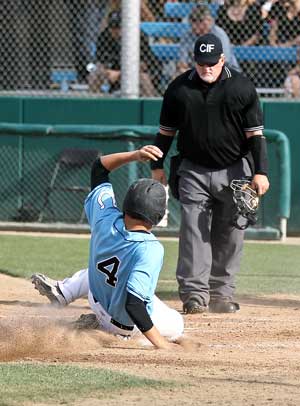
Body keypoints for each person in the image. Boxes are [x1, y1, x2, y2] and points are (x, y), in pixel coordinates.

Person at [151, 33, 269, 314]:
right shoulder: (179, 89)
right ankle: (194, 295)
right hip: (194, 169)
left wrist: (261, 171)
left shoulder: (240, 87)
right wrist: (157, 165)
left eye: (212, 63)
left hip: (235, 170)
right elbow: (165, 133)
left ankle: (221, 294)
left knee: (231, 232)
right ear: (194, 61)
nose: (207, 68)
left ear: (222, 59)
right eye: (202, 63)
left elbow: (256, 136)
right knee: (193, 228)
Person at [31, 145, 184, 349]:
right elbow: (134, 305)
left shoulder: (105, 217)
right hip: (123, 324)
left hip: (97, 299)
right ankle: (112, 332)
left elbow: (99, 169)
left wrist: (135, 155)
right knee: (176, 324)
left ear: (126, 204)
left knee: (98, 270)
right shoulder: (151, 248)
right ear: (158, 216)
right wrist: (162, 345)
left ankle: (65, 291)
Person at [88, 10, 161, 96]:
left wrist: (120, 73)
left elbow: (144, 65)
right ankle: (96, 104)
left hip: (136, 73)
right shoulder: (104, 36)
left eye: (119, 27)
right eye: (113, 28)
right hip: (114, 72)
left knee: (143, 78)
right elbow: (101, 61)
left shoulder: (138, 35)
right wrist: (108, 71)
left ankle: (149, 106)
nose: (116, 31)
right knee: (95, 75)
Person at [177, 4, 240, 75]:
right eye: (194, 20)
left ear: (210, 21)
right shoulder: (187, 36)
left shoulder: (219, 34)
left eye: (201, 20)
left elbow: (224, 62)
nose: (196, 24)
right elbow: (182, 63)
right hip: (196, 73)